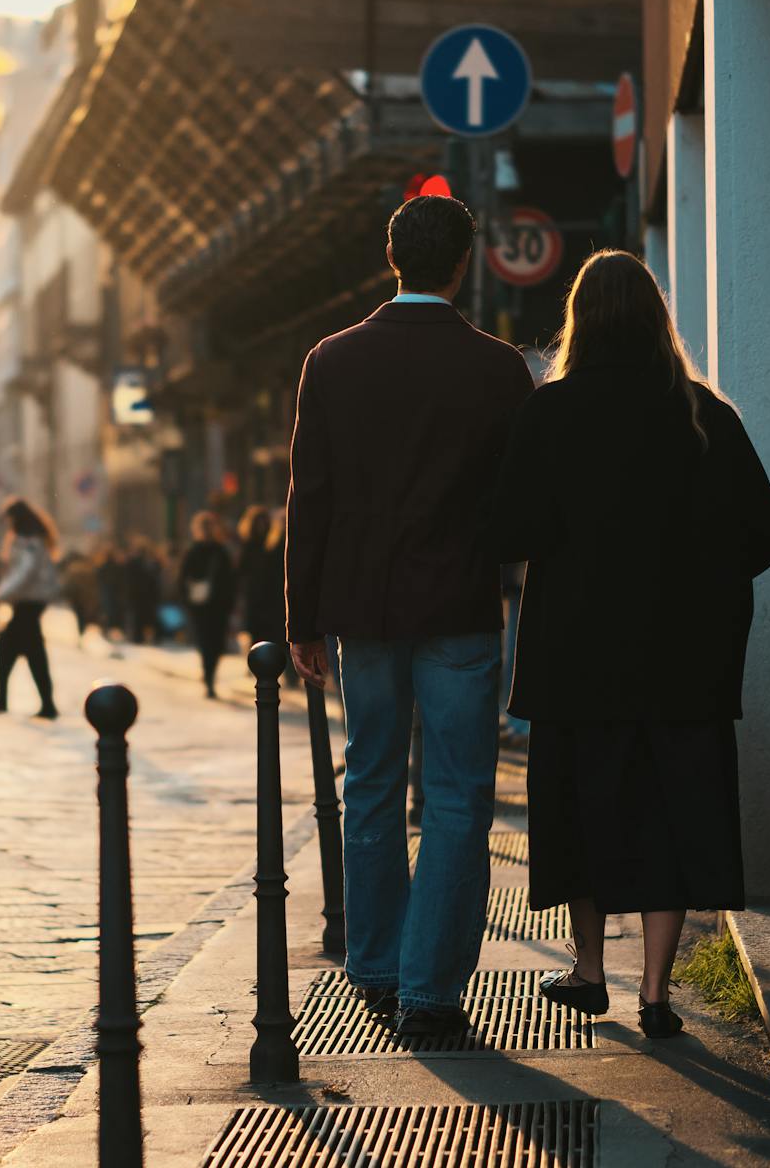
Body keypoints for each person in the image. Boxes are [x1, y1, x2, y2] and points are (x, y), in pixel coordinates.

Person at [489, 249, 770, 1040]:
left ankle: (590, 971)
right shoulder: (700, 413)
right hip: (684, 659)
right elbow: (769, 526)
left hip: (576, 660)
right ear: (658, 318)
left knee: (582, 810)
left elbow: (510, 530)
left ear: (578, 322)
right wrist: (707, 574)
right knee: (671, 814)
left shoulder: (548, 414)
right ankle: (656, 995)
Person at [284, 192, 534, 1038]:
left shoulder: (331, 358)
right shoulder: (498, 368)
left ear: (392, 256)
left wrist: (303, 616)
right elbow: (515, 504)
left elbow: (308, 496)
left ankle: (377, 965)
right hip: (459, 604)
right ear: (462, 264)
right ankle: (431, 988)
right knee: (461, 794)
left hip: (361, 608)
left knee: (373, 781)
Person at [0, 497, 62, 719]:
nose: (7, 523)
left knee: (12, 647)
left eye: (9, 518)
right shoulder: (25, 539)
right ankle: (38, 702)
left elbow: (25, 572)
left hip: (31, 601)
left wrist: (1, 593)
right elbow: (16, 571)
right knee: (27, 650)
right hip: (26, 601)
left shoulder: (30, 541)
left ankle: (12, 700)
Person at [178, 511, 238, 699]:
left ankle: (210, 672)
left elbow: (230, 579)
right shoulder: (193, 551)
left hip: (218, 606)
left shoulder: (220, 551)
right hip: (200, 607)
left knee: (217, 643)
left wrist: (230, 603)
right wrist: (187, 601)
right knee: (205, 642)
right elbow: (182, 579)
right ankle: (209, 676)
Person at [236, 506, 286, 667]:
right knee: (257, 634)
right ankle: (259, 663)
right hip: (255, 599)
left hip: (272, 599)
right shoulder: (248, 546)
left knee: (273, 634)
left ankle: (269, 664)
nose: (261, 526)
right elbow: (241, 572)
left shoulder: (273, 546)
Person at [124, 536, 163, 644]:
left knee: (139, 617)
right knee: (148, 617)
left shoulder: (134, 562)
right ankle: (146, 636)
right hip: (147, 595)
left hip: (139, 595)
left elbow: (128, 581)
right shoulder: (151, 562)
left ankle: (139, 637)